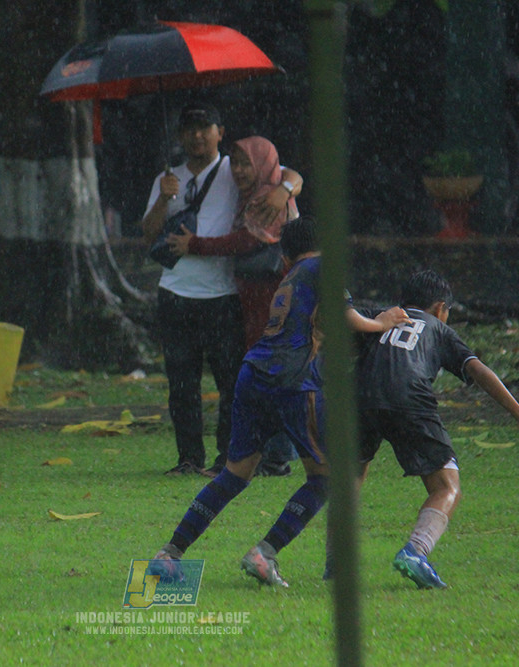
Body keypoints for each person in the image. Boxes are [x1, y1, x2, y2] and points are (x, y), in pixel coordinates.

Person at [150, 216, 412, 588]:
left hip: (254, 373)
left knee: (234, 475)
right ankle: (265, 552)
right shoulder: (322, 267)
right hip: (294, 379)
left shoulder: (289, 277)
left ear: (285, 256)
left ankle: (170, 553)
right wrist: (381, 322)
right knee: (326, 477)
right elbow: (344, 316)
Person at [337, 269, 519, 588]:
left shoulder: (381, 315)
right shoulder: (439, 330)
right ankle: (416, 551)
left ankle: (336, 559)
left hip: (360, 396)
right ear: (441, 308)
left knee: (353, 474)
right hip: (409, 398)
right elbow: (478, 371)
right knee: (446, 487)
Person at [142, 103, 301, 478]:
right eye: (190, 128)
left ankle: (227, 459)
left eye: (205, 127)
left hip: (222, 294)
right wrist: (164, 199)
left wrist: (283, 191)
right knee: (182, 384)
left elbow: (289, 174)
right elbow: (148, 233)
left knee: (232, 384)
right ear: (180, 136)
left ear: (220, 132)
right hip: (175, 291)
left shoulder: (236, 169)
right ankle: (188, 458)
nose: (197, 135)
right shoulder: (168, 178)